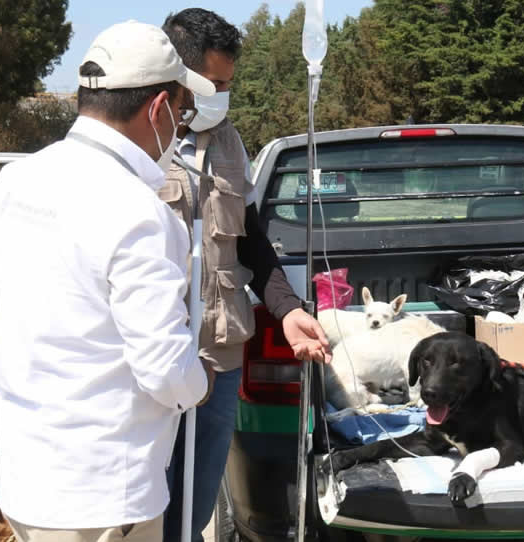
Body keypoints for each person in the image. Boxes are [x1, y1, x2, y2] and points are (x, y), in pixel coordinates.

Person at [0, 21, 218, 542]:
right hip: (103, 496)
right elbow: (164, 367)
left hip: (27, 486)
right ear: (158, 109)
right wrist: (199, 384)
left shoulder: (22, 178)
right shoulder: (140, 211)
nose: (182, 128)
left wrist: (8, 341)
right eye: (184, 112)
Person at [158, 9, 331, 541]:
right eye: (216, 83)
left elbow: (250, 240)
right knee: (144, 510)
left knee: (196, 507)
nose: (224, 95)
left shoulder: (230, 141)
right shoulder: (139, 144)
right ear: (179, 78)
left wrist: (290, 310)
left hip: (219, 356)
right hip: (152, 360)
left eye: (230, 83)